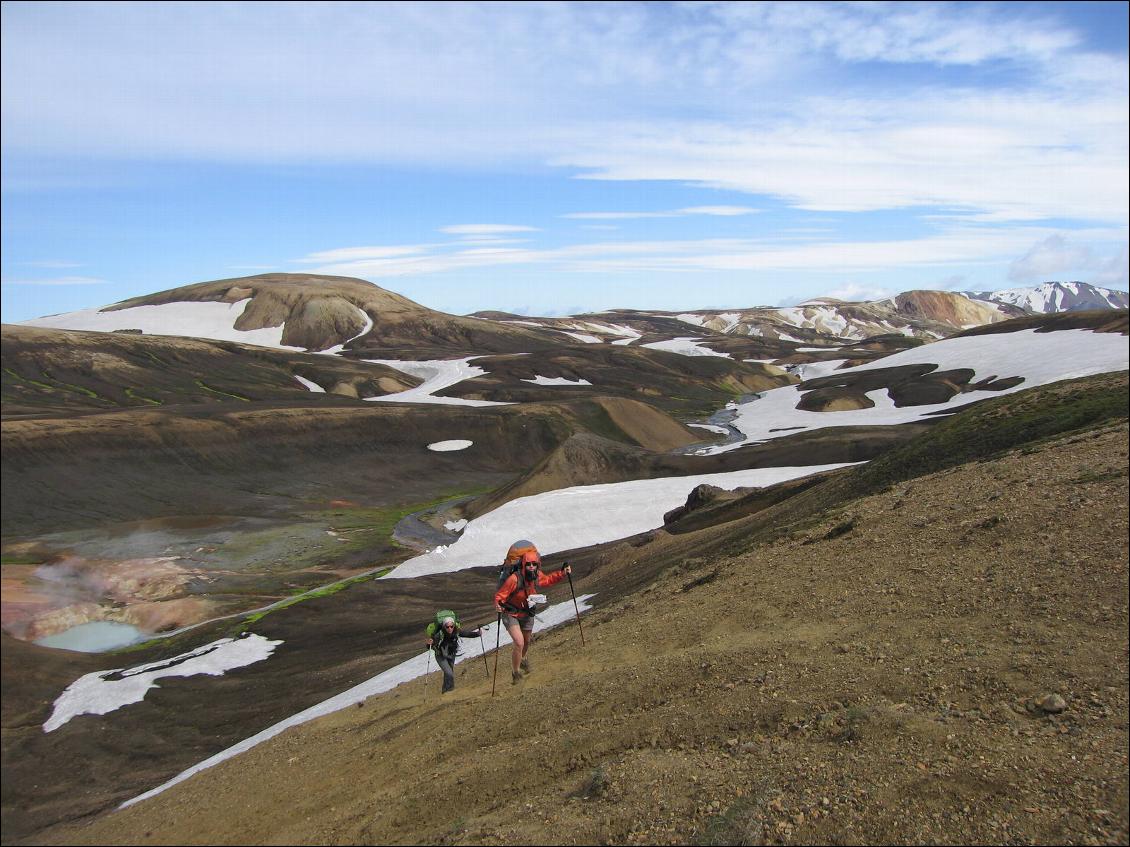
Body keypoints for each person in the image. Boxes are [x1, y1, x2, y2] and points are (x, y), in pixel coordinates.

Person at [494, 549, 571, 685]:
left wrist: (562, 574)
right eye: (528, 564)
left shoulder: (536, 575)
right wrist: (498, 604)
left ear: (537, 565)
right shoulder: (514, 579)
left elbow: (547, 580)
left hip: (527, 611)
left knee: (527, 641)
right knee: (519, 642)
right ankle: (516, 673)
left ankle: (522, 660)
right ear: (524, 564)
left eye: (534, 564)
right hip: (510, 613)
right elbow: (500, 595)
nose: (531, 567)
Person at [425, 612, 482, 694]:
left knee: (449, 673)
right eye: (447, 627)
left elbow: (466, 634)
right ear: (444, 627)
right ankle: (450, 691)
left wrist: (477, 634)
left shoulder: (456, 631)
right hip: (440, 655)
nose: (450, 628)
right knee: (449, 673)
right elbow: (430, 645)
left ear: (454, 626)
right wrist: (429, 643)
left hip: (451, 654)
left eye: (451, 626)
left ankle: (446, 691)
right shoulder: (439, 635)